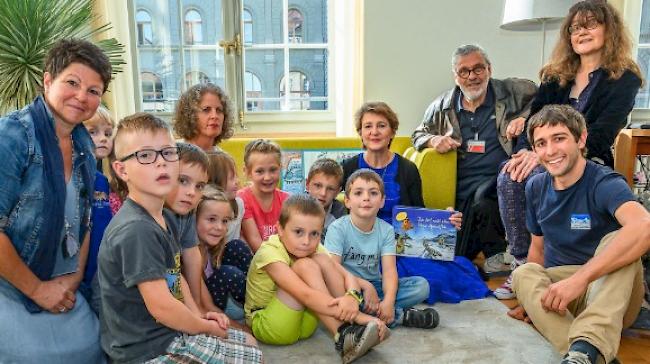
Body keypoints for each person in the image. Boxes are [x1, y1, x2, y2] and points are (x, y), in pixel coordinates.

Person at [495, 0, 643, 300]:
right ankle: (524, 265)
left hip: (590, 155)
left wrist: (547, 154)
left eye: (590, 24)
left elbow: (603, 132)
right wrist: (526, 151)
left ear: (609, 29)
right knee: (510, 174)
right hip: (546, 155)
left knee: (535, 171)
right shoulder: (554, 75)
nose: (581, 32)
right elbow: (535, 120)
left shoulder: (624, 78)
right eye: (575, 28)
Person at [99, 112, 261, 363]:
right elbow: (162, 306)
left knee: (251, 345)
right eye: (145, 155)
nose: (161, 163)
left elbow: (175, 276)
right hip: (147, 350)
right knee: (253, 359)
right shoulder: (136, 230)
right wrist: (203, 328)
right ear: (121, 170)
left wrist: (199, 315)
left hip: (168, 333)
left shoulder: (163, 217)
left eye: (168, 152)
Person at [507, 105, 650, 364]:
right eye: (541, 143)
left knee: (617, 239)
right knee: (522, 273)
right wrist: (532, 301)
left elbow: (644, 226)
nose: (550, 151)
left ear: (581, 138)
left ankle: (586, 347)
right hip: (563, 296)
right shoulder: (536, 187)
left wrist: (581, 279)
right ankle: (584, 354)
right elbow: (537, 251)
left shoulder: (604, 183)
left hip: (612, 295)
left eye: (559, 138)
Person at [0, 38, 110, 363]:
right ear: (48, 80)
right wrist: (37, 290)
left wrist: (71, 282)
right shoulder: (12, 136)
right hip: (10, 284)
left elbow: (86, 221)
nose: (82, 96)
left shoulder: (84, 146)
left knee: (92, 347)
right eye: (72, 83)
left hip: (60, 281)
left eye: (93, 91)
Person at [411, 44, 537, 267]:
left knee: (483, 199)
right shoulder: (441, 106)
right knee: (454, 256)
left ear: (489, 69)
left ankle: (499, 257)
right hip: (462, 192)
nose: (472, 76)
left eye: (478, 69)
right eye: (464, 71)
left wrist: (526, 120)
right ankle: (494, 260)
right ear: (455, 76)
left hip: (499, 181)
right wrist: (433, 140)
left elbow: (545, 102)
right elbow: (417, 134)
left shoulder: (513, 91)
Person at [244, 194, 389, 363]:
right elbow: (305, 294)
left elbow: (346, 275)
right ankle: (343, 334)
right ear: (280, 229)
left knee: (321, 260)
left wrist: (351, 297)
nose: (306, 241)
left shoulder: (314, 248)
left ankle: (349, 329)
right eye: (298, 232)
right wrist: (359, 316)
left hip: (306, 322)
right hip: (270, 325)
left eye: (314, 234)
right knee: (304, 265)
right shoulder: (269, 252)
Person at [326, 169, 461, 329]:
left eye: (373, 193)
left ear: (382, 201)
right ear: (347, 201)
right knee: (333, 294)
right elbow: (333, 269)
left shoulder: (387, 230)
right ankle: (401, 316)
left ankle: (374, 313)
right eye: (358, 193)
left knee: (422, 286)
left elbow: (389, 271)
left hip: (376, 286)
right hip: (347, 287)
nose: (366, 198)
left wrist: (388, 301)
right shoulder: (337, 228)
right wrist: (364, 286)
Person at [342, 102, 423, 224]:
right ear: (360, 133)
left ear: (392, 132)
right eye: (368, 126)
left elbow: (420, 215)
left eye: (381, 126)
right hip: (356, 241)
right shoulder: (347, 167)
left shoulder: (408, 169)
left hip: (397, 241)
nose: (374, 132)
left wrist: (446, 220)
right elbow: (326, 202)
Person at [163, 142, 209, 310]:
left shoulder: (186, 211)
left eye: (200, 186)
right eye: (183, 180)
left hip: (174, 303)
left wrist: (197, 307)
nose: (192, 192)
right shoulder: (150, 218)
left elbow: (192, 255)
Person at [81, 106, 115, 312]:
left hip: (102, 264)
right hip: (81, 266)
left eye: (108, 133)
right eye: (93, 132)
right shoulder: (75, 178)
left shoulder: (102, 180)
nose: (103, 138)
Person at [197, 188, 251, 320]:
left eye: (225, 221)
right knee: (228, 273)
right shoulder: (190, 255)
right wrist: (242, 330)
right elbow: (205, 305)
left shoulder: (213, 248)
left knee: (236, 246)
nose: (220, 227)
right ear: (194, 218)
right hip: (208, 307)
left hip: (232, 299)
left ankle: (259, 301)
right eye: (211, 219)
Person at [238, 139, 289, 252]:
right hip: (256, 259)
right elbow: (254, 240)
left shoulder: (287, 200)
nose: (267, 177)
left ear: (280, 168)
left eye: (273, 170)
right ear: (247, 172)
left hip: (282, 255)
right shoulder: (242, 199)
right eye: (260, 171)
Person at [174, 83, 234, 152]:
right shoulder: (173, 154)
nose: (214, 116)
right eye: (206, 110)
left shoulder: (224, 160)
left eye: (219, 110)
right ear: (190, 114)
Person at [206, 150, 245, 242]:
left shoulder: (239, 205)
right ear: (216, 182)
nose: (237, 181)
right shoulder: (204, 208)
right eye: (231, 178)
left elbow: (237, 237)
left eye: (236, 176)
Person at [305, 158, 347, 239]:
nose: (323, 193)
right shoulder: (295, 207)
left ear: (338, 192)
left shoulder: (339, 212)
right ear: (307, 184)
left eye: (330, 189)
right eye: (318, 186)